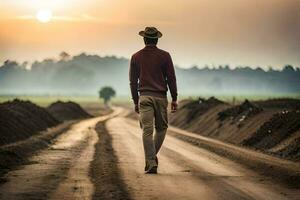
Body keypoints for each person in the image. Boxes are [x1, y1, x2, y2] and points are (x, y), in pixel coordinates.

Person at [129, 27, 178, 174]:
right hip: (161, 97)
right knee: (161, 128)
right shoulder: (165, 56)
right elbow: (171, 79)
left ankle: (150, 161)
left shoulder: (136, 56)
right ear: (157, 39)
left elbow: (132, 81)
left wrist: (135, 101)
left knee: (147, 131)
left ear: (144, 39)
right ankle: (151, 159)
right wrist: (174, 98)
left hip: (144, 97)